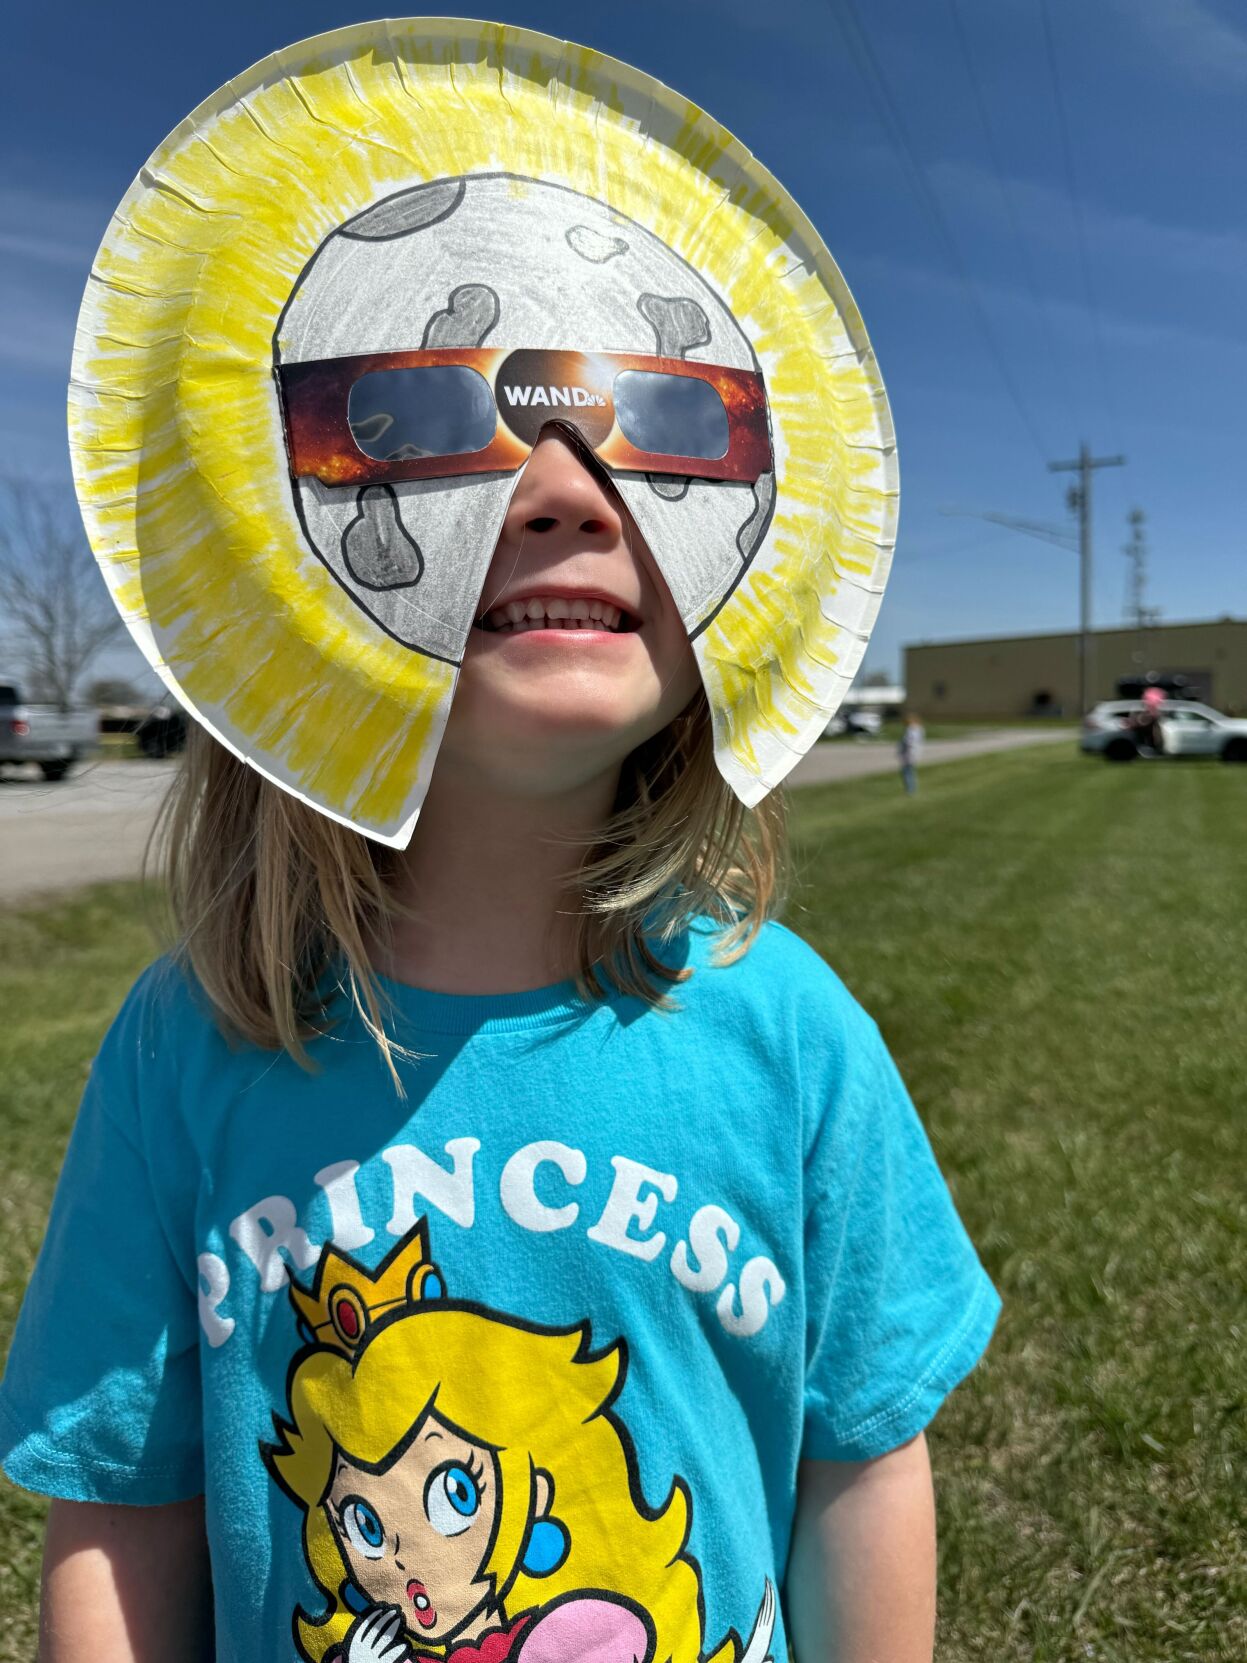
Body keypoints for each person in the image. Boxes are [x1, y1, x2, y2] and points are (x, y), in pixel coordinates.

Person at [0, 23, 998, 1663]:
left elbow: (858, 1456)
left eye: (654, 422)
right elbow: (123, 1507)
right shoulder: (186, 1052)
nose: (566, 488)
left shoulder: (792, 1033)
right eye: (418, 416)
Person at [898, 712, 926, 794]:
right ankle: (911, 789)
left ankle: (910, 790)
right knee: (910, 772)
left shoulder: (912, 730)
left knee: (907, 772)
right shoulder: (918, 729)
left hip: (909, 753)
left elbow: (909, 741)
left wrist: (903, 746)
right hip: (912, 753)